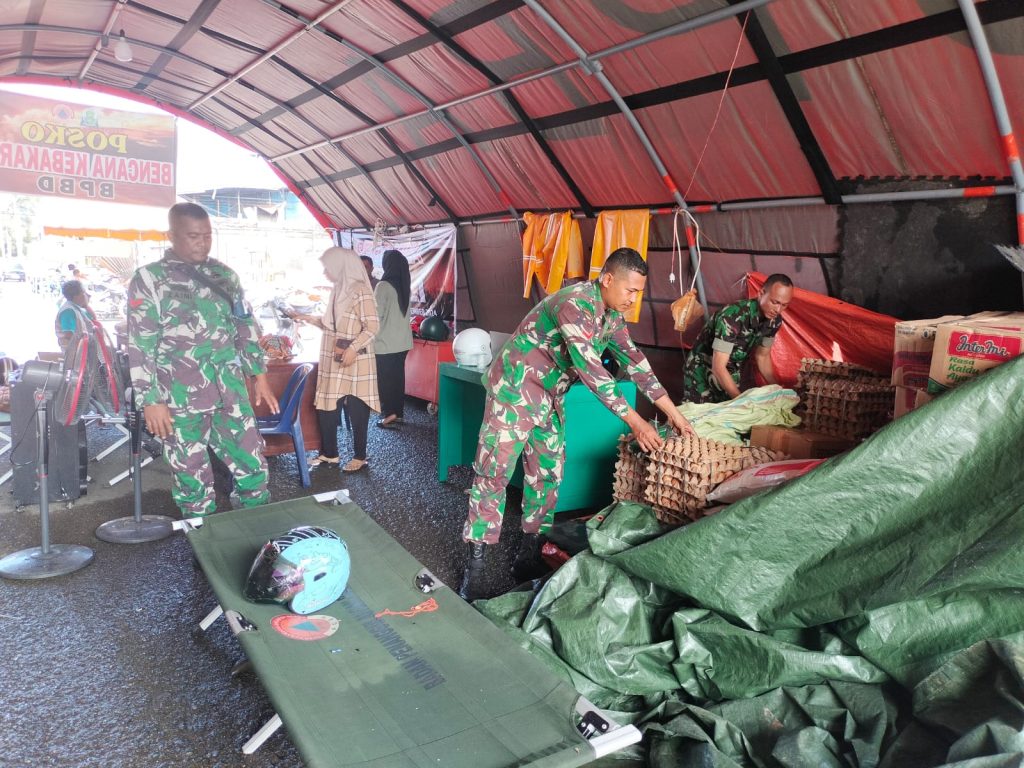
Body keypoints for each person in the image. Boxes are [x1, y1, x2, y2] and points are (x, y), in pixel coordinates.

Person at [458, 247, 694, 600]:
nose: (633, 299)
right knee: (495, 472)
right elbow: (592, 371)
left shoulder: (611, 316)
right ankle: (474, 569)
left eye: (638, 292)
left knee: (548, 473)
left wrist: (676, 416)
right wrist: (636, 422)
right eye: (630, 290)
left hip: (550, 394)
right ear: (608, 279)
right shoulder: (575, 304)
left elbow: (636, 362)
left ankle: (527, 558)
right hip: (515, 388)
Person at [127, 202, 279, 518]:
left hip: (230, 391)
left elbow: (244, 324)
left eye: (207, 236)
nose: (202, 243)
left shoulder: (225, 276)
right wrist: (150, 400)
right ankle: (202, 543)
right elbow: (141, 344)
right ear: (171, 236)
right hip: (179, 398)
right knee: (191, 474)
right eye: (193, 236)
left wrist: (259, 374)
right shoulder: (150, 279)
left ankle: (257, 529)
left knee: (253, 462)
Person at [292, 247, 380, 472]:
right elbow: (330, 324)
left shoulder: (361, 290)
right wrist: (307, 318)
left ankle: (360, 456)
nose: (325, 272)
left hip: (355, 359)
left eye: (328, 267)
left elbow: (372, 327)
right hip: (333, 357)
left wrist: (353, 349)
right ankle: (329, 454)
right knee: (327, 405)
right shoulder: (337, 290)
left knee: (358, 408)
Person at [682, 273, 794, 403]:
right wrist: (740, 400)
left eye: (784, 305)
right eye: (775, 302)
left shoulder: (774, 321)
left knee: (730, 418)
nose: (778, 309)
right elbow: (718, 366)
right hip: (702, 371)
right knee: (698, 418)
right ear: (761, 293)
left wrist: (779, 389)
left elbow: (762, 357)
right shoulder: (731, 317)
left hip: (729, 372)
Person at [373, 250, 413, 428]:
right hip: (402, 343)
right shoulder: (404, 286)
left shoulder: (383, 286)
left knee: (385, 380)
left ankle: (388, 414)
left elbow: (376, 316)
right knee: (397, 378)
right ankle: (399, 413)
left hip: (385, 343)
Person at [55, 279, 97, 352]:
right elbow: (68, 334)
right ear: (76, 296)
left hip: (83, 350)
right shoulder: (68, 311)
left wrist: (86, 305)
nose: (87, 295)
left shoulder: (77, 308)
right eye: (84, 292)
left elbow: (93, 319)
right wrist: (85, 339)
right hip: (75, 354)